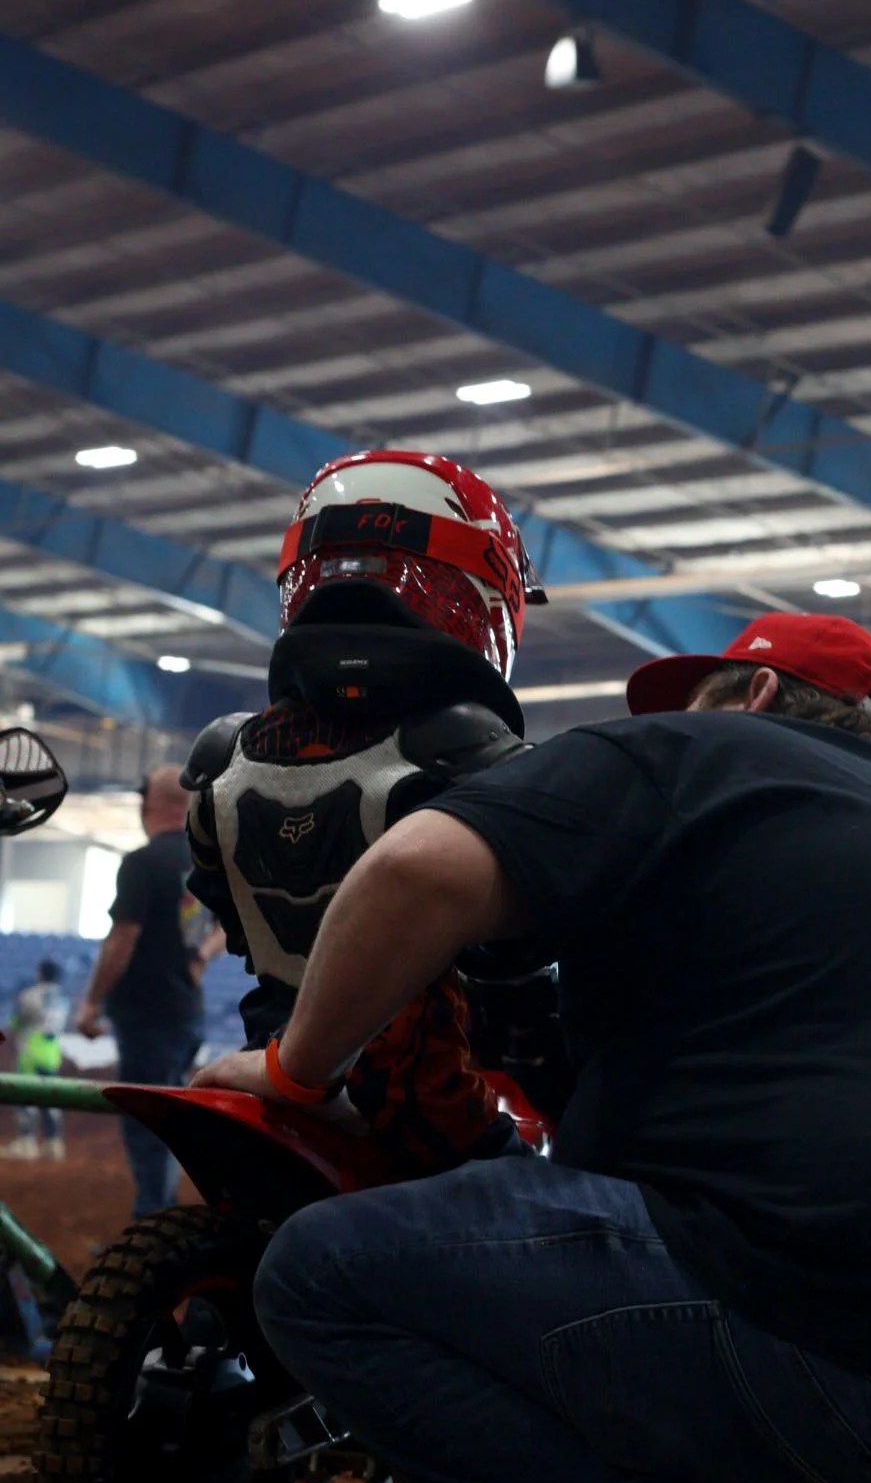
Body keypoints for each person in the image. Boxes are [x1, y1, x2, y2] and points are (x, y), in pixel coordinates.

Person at [190, 612, 871, 1483]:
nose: (672, 715)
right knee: (756, 1356)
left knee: (324, 1273)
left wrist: (301, 1069)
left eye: (700, 694)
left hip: (826, 1359)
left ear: (755, 698)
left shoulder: (701, 755)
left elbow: (416, 869)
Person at [182, 448, 551, 1176]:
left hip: (283, 1066)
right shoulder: (470, 754)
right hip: (443, 1110)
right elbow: (523, 957)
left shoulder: (220, 761)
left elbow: (239, 938)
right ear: (481, 583)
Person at [75, 766, 219, 1217]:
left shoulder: (141, 863)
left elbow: (122, 940)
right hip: (186, 1012)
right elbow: (225, 931)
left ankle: (154, 1227)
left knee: (147, 1127)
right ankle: (162, 1216)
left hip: (146, 1015)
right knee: (172, 1120)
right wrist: (199, 957)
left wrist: (92, 1001)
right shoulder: (202, 865)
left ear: (147, 806)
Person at [3, 957, 68, 1160]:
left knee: (25, 1097)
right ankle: (53, 1144)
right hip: (52, 1055)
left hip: (31, 1052)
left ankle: (26, 1143)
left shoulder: (30, 995)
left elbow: (15, 1021)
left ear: (40, 973)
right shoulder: (63, 999)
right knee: (50, 1099)